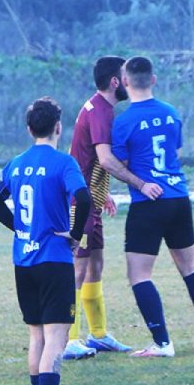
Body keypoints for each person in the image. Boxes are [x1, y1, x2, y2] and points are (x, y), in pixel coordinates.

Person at [0, 97, 91, 385]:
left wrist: (19, 227)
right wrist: (75, 234)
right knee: (56, 339)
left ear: (30, 129)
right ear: (58, 127)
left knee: (37, 337)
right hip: (54, 260)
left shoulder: (16, 163)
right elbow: (84, 198)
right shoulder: (64, 163)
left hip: (24, 261)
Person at [111, 57, 194, 357]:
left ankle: (162, 343)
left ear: (126, 82)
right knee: (190, 267)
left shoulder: (123, 121)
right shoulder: (171, 113)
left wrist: (141, 181)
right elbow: (177, 152)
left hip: (149, 202)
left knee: (139, 275)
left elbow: (120, 163)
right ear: (154, 80)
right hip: (179, 198)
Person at [63, 56, 132, 360]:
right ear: (115, 81)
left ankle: (99, 335)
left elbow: (84, 157)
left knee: (96, 266)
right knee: (77, 270)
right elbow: (104, 159)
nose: (130, 82)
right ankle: (66, 338)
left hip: (91, 199)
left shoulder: (99, 108)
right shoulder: (100, 112)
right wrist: (139, 183)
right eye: (126, 76)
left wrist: (102, 192)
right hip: (80, 204)